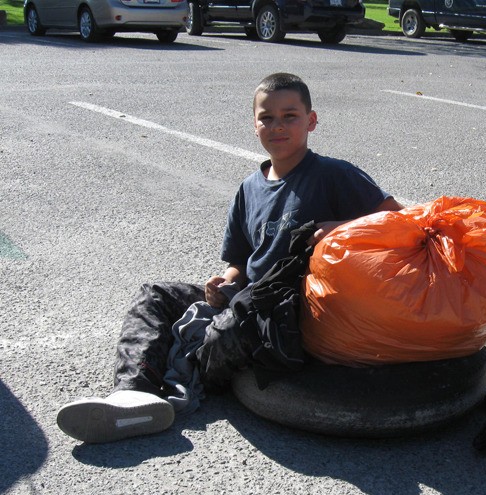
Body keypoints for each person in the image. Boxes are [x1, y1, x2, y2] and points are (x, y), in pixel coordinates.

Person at [56, 72, 403, 444]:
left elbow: (399, 220)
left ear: (311, 121)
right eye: (266, 117)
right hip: (246, 297)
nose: (278, 126)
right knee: (155, 294)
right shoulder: (249, 188)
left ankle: (172, 380)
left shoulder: (333, 175)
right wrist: (225, 281)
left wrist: (341, 227)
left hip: (294, 309)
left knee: (230, 328)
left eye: (290, 116)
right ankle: (132, 394)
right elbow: (240, 259)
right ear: (254, 125)